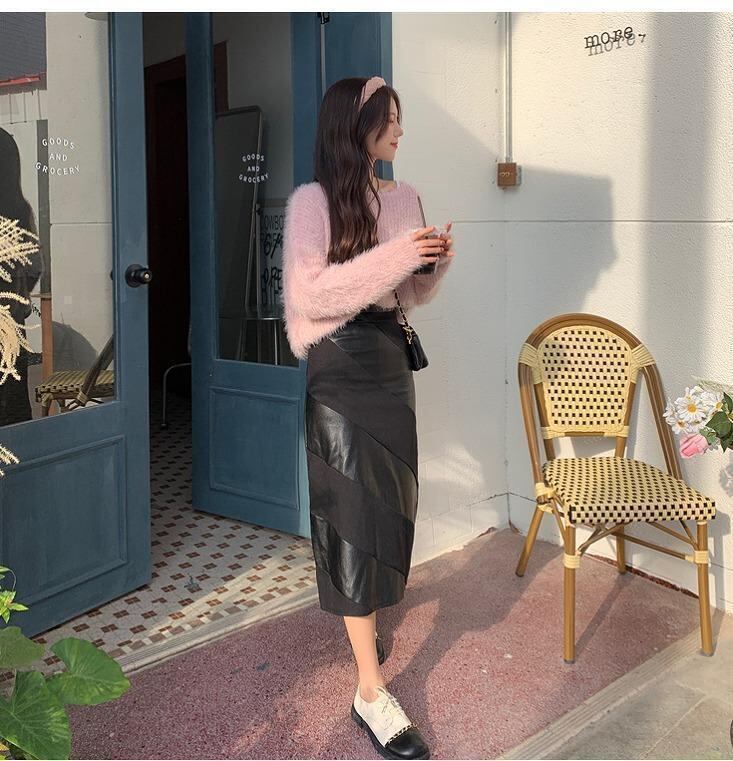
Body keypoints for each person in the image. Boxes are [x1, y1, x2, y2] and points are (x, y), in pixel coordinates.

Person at [281, 76, 456, 760]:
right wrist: (402, 253)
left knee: (390, 503)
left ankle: (367, 622)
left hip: (386, 356)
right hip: (336, 363)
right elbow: (311, 293)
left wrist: (431, 265)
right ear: (355, 127)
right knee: (351, 513)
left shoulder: (404, 196)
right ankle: (370, 691)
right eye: (390, 119)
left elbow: (407, 292)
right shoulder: (312, 202)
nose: (400, 131)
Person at [0, 127, 43, 426]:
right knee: (13, 406)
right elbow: (35, 267)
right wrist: (18, 296)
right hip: (11, 323)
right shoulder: (21, 210)